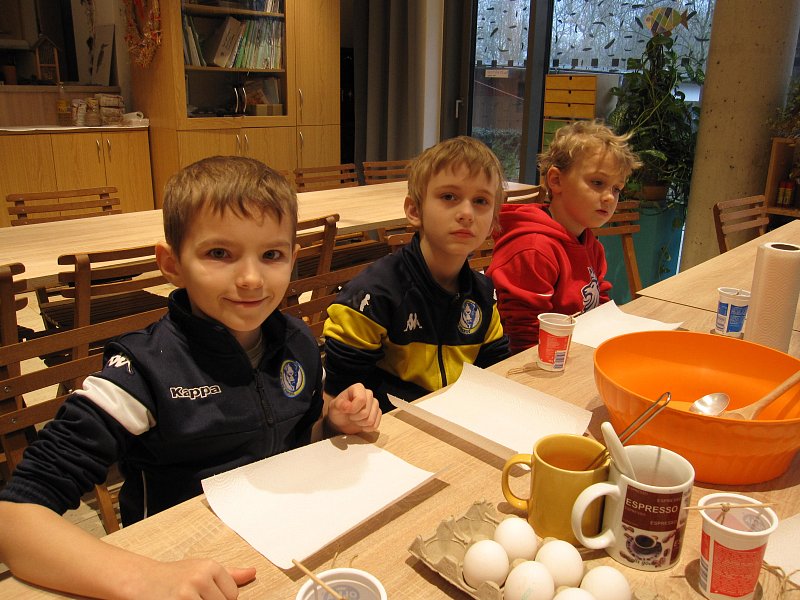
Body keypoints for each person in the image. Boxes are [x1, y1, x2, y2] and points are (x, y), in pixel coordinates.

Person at [0, 156, 382, 599]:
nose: (251, 279)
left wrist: (333, 422)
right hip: (178, 565)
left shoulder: (297, 339)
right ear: (172, 264)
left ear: (293, 259)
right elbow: (14, 516)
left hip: (286, 545)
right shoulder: (143, 370)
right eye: (219, 254)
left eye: (271, 255)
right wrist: (142, 577)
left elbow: (298, 438)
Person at [322, 136, 510, 412]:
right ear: (414, 210)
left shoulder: (483, 294)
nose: (467, 213)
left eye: (481, 201)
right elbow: (338, 399)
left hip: (458, 418)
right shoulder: (373, 295)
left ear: (493, 221)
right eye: (449, 197)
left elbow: (496, 373)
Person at [487, 120, 642, 354]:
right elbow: (523, 341)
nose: (610, 197)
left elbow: (598, 304)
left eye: (616, 189)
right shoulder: (533, 249)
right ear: (556, 180)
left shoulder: (590, 243)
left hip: (573, 352)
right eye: (597, 183)